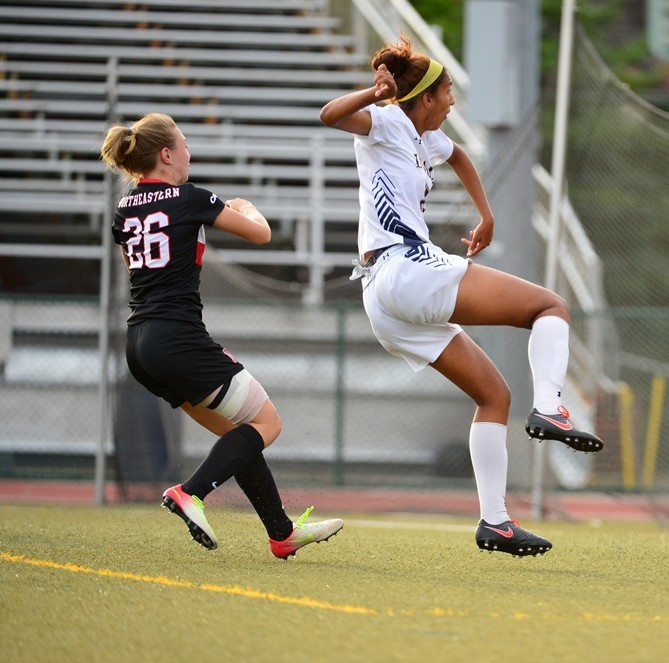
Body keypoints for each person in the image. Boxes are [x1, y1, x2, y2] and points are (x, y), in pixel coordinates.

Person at [319, 35, 603, 557]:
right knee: (550, 306)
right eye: (447, 93)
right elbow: (330, 114)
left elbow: (463, 158)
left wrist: (486, 214)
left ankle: (495, 522)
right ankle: (551, 409)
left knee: (493, 396)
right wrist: (374, 93)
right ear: (425, 97)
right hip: (404, 269)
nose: (452, 102)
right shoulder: (385, 123)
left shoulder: (425, 138)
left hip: (384, 294)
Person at [100, 113, 344, 560]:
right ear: (168, 154)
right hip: (178, 338)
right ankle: (190, 493)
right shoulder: (189, 197)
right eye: (185, 145)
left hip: (139, 342)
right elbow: (261, 233)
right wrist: (245, 206)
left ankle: (282, 533)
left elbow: (137, 268)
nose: (190, 153)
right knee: (267, 424)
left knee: (239, 436)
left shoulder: (123, 208)